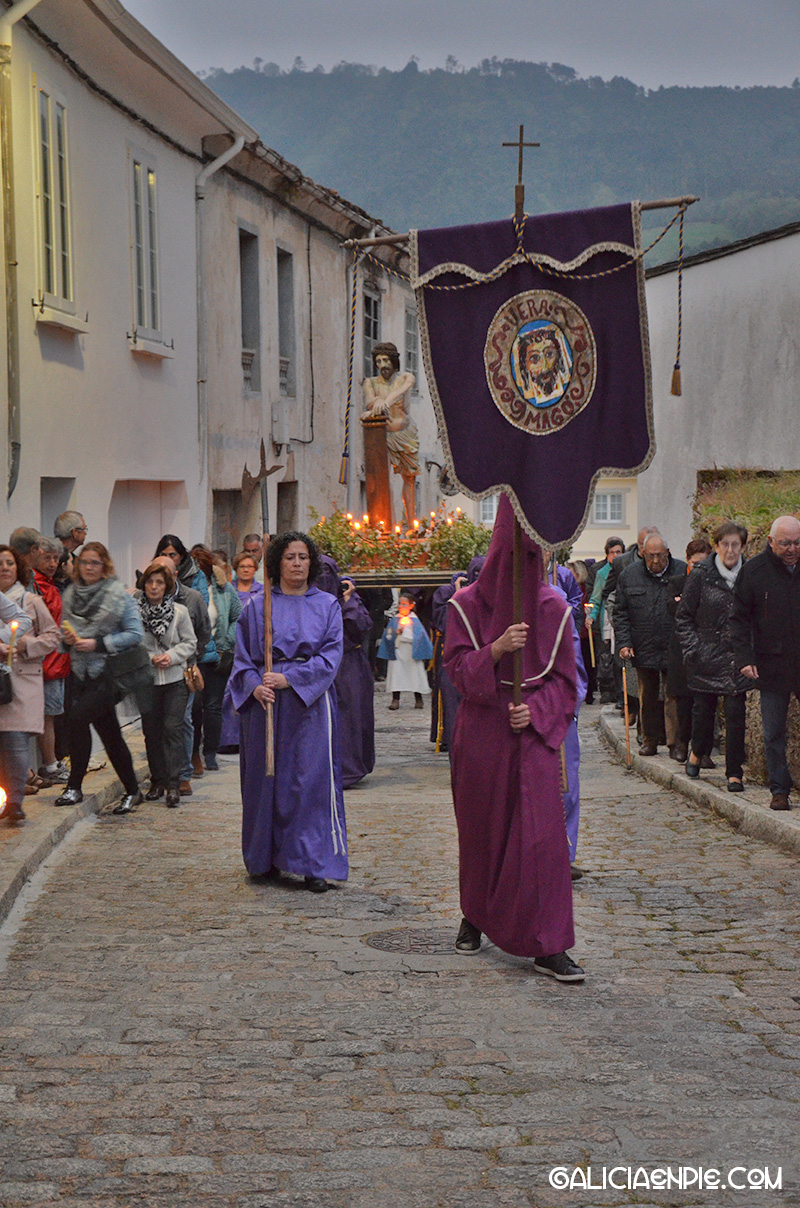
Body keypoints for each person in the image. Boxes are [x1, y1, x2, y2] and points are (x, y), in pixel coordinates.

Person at [443, 495, 582, 980]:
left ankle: (548, 941)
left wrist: (538, 711)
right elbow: (457, 672)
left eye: (529, 560)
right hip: (482, 730)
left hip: (532, 735)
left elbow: (568, 683)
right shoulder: (464, 606)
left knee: (542, 840)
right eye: (510, 560)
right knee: (481, 831)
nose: (518, 572)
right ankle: (475, 915)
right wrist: (497, 648)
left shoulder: (555, 608)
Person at [228, 530, 347, 892]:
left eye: (303, 557)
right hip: (268, 704)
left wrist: (290, 678)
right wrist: (256, 685)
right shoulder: (257, 607)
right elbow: (243, 660)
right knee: (267, 783)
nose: (297, 564)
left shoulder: (327, 605)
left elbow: (330, 657)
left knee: (309, 783)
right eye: (290, 557)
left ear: (312, 563)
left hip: (308, 704)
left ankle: (313, 863)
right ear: (277, 562)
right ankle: (266, 859)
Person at [55, 542, 145, 814]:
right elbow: (64, 635)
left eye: (95, 563)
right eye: (84, 562)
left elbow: (135, 634)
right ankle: (132, 790)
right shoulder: (71, 594)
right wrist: (68, 640)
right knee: (110, 735)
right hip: (79, 673)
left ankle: (74, 786)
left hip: (109, 674)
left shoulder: (118, 595)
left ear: (104, 566)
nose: (89, 568)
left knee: (77, 719)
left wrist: (98, 643)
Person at [731, 514, 800, 810]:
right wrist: (745, 658)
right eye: (785, 543)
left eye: (797, 543)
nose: (792, 549)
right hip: (771, 663)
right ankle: (779, 789)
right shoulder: (754, 572)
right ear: (771, 542)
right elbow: (738, 619)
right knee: (773, 731)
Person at [676, 523, 750, 792]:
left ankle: (734, 772)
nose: (730, 550)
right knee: (704, 713)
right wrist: (693, 647)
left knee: (735, 713)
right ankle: (697, 750)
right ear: (716, 546)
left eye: (735, 545)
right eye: (725, 544)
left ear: (742, 546)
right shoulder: (701, 575)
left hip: (736, 658)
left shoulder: (749, 574)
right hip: (705, 655)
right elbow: (683, 616)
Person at [142, 554, 211, 796]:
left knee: (173, 728)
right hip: (149, 680)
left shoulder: (179, 612)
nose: (154, 587)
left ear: (167, 585)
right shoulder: (137, 613)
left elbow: (191, 642)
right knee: (151, 731)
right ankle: (157, 780)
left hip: (175, 679)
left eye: (159, 582)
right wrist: (150, 657)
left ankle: (174, 782)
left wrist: (171, 656)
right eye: (150, 582)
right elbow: (133, 642)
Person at [614, 533, 687, 756]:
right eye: (650, 557)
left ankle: (675, 743)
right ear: (642, 554)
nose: (655, 562)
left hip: (673, 644)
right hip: (643, 643)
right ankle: (649, 740)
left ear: (667, 553)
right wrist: (624, 642)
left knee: (673, 695)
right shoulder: (629, 575)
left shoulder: (682, 571)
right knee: (647, 696)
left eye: (659, 556)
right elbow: (620, 612)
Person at [0, 548, 50, 826]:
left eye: (9, 563)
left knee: (15, 744)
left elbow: (25, 622)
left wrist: (7, 640)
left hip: (16, 680)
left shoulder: (27, 599)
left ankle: (15, 801)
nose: (4, 568)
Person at [190, 546, 242, 771]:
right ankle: (194, 753)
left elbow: (237, 616)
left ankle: (210, 752)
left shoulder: (223, 589)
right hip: (195, 655)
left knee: (213, 707)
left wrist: (228, 641)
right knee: (195, 706)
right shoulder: (188, 590)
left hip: (219, 654)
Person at [361, 342, 419, 530]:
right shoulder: (370, 383)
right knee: (381, 479)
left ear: (394, 361)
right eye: (378, 361)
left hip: (405, 434)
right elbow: (370, 401)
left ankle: (411, 525)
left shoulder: (405, 378)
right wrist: (376, 402)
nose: (382, 365)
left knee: (409, 478)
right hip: (382, 436)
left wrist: (384, 401)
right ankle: (385, 526)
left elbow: (401, 390)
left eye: (386, 360)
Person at [665, 537, 712, 763]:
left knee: (705, 703)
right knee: (684, 702)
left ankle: (702, 749)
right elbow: (672, 607)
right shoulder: (676, 582)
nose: (698, 568)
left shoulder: (714, 583)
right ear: (687, 561)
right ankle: (682, 743)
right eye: (695, 563)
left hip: (708, 650)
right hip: (682, 649)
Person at [32, 537, 71, 785]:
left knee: (51, 715)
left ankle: (51, 762)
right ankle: (49, 764)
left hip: (57, 661)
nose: (53, 563)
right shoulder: (35, 586)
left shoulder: (51, 585)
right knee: (46, 717)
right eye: (47, 557)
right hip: (46, 662)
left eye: (56, 559)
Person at [337, 575, 375, 787]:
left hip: (351, 665)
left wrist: (349, 599)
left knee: (354, 714)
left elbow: (359, 627)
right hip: (331, 665)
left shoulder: (355, 603)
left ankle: (352, 766)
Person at [378, 590, 433, 710]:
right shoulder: (395, 619)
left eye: (404, 604)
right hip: (398, 651)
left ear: (411, 605)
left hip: (411, 652)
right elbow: (388, 635)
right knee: (396, 675)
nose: (401, 606)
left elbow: (420, 637)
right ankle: (395, 699)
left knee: (415, 675)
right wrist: (395, 634)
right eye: (400, 604)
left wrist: (409, 636)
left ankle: (418, 698)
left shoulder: (415, 620)